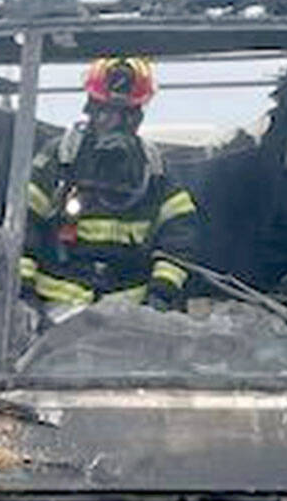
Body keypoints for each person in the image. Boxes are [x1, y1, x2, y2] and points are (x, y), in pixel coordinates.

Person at [20, 56, 198, 312]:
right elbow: (23, 226)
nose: (114, 122)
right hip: (54, 306)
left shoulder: (154, 170)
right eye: (105, 112)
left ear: (137, 117)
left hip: (126, 315)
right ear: (90, 109)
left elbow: (181, 237)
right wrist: (23, 293)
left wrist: (160, 295)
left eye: (125, 114)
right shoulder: (60, 159)